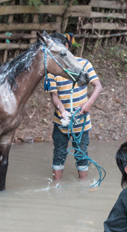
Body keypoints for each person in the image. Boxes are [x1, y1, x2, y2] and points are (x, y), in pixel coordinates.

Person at [45, 33, 102, 181]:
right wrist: (62, 111)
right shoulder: (52, 71)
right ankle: (56, 185)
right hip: (60, 122)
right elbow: (54, 96)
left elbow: (98, 86)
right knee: (59, 153)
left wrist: (88, 104)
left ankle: (83, 186)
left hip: (81, 122)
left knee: (81, 153)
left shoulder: (84, 64)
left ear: (66, 47)